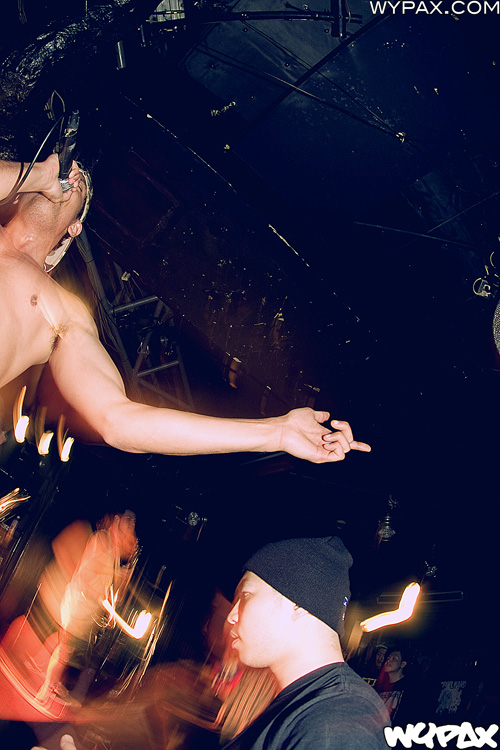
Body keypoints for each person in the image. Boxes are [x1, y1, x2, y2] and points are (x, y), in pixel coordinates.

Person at [0, 154, 371, 463]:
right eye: (65, 172)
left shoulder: (64, 312)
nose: (69, 177)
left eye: (79, 183)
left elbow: (120, 422)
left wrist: (276, 432)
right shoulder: (28, 183)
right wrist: (38, 174)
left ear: (75, 228)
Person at [223, 537, 390, 748]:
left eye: (246, 594)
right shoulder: (311, 705)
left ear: (299, 605)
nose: (231, 616)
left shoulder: (337, 723)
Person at [36, 510, 138, 704]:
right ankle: (44, 690)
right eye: (128, 520)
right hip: (78, 604)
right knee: (65, 649)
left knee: (68, 649)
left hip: (86, 610)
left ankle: (52, 682)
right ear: (116, 521)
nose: (131, 526)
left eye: (133, 523)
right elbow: (86, 572)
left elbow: (107, 587)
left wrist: (112, 603)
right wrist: (103, 592)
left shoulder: (114, 553)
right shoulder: (102, 540)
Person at [375, 647, 409, 724]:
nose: (388, 661)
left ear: (403, 664)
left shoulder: (408, 687)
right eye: (388, 658)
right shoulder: (380, 685)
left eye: (394, 659)